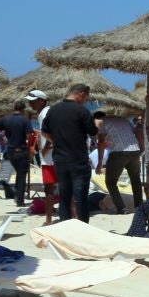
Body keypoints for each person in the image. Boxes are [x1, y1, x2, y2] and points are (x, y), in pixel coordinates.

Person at [41, 84, 99, 223]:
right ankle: (83, 229)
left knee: (64, 197)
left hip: (60, 159)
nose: (85, 100)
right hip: (78, 159)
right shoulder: (82, 111)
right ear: (81, 94)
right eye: (86, 97)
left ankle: (65, 228)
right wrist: (97, 124)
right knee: (80, 197)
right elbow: (93, 132)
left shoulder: (53, 110)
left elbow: (44, 131)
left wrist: (56, 141)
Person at [93, 111, 145, 214]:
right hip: (134, 151)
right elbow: (137, 132)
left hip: (118, 153)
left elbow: (101, 143)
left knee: (110, 182)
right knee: (136, 180)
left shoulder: (101, 122)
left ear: (96, 118)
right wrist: (142, 147)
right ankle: (139, 207)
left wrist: (99, 163)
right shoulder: (123, 119)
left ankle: (122, 208)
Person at [0, 100, 33, 206]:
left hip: (9, 151)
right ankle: (20, 200)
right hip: (21, 150)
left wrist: (1, 141)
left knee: (19, 173)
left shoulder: (6, 118)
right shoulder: (25, 120)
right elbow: (29, 136)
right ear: (23, 110)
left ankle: (17, 196)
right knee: (22, 175)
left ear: (14, 108)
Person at [26, 90, 56, 224]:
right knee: (65, 187)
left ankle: (48, 220)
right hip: (55, 155)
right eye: (29, 101)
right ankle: (72, 217)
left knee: (49, 188)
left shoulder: (44, 114)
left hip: (50, 157)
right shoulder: (47, 112)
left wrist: (44, 149)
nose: (30, 103)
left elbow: (51, 132)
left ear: (42, 101)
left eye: (33, 101)